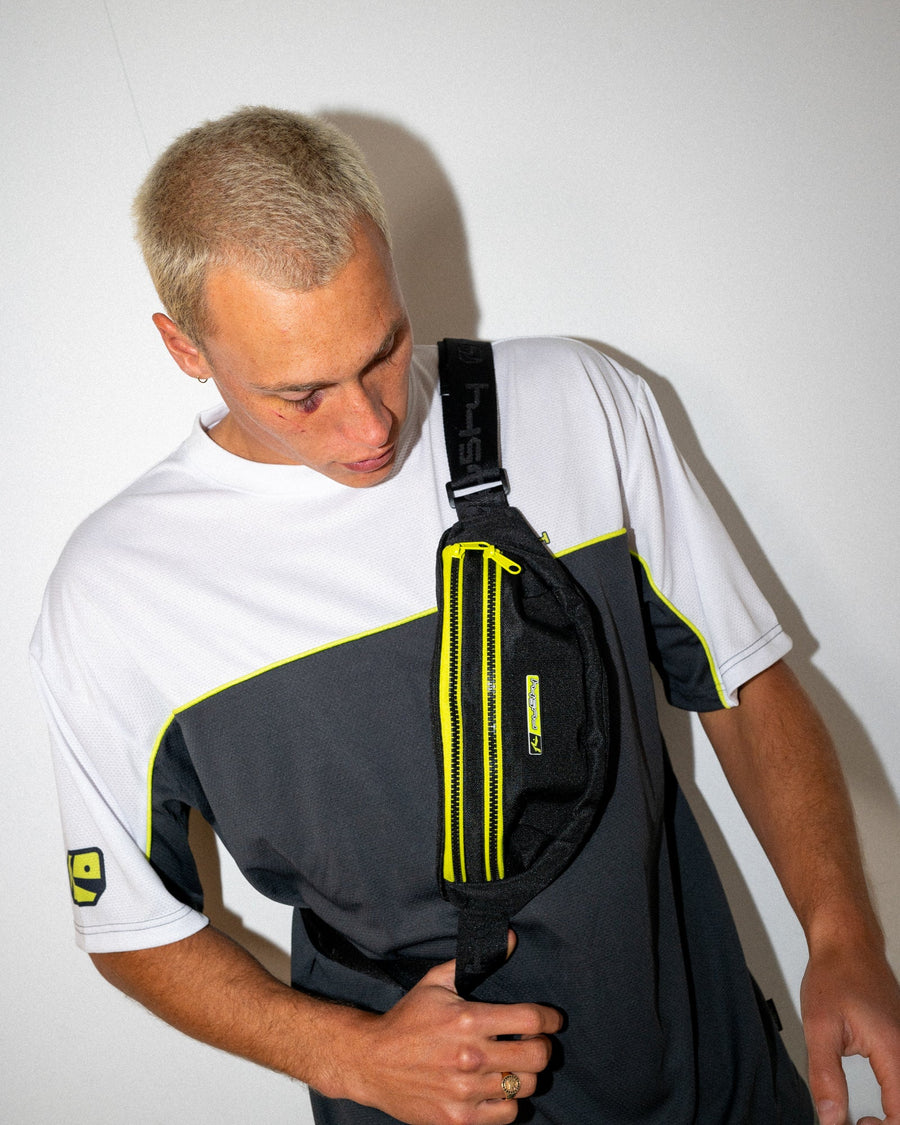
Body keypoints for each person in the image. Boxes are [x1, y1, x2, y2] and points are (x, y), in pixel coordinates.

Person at [31, 106, 900, 1125]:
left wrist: (843, 936)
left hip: (717, 1082)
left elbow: (741, 684)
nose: (373, 424)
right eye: (303, 396)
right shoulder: (117, 593)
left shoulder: (578, 402)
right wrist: (352, 1059)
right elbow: (132, 927)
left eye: (384, 348)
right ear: (184, 348)